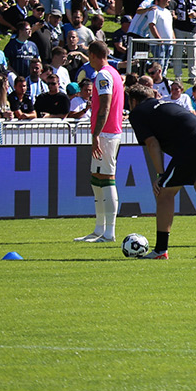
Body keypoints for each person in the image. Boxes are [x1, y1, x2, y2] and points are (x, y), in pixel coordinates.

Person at [127, 83, 196, 258]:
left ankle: (160, 250)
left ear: (133, 101)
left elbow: (152, 143)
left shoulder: (138, 112)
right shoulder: (167, 104)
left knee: (164, 193)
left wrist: (160, 174)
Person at [74, 41, 123, 243]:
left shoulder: (103, 75)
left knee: (107, 177)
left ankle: (109, 231)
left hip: (107, 133)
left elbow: (104, 105)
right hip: (108, 132)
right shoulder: (113, 73)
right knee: (97, 176)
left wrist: (96, 134)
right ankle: (99, 228)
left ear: (94, 55)